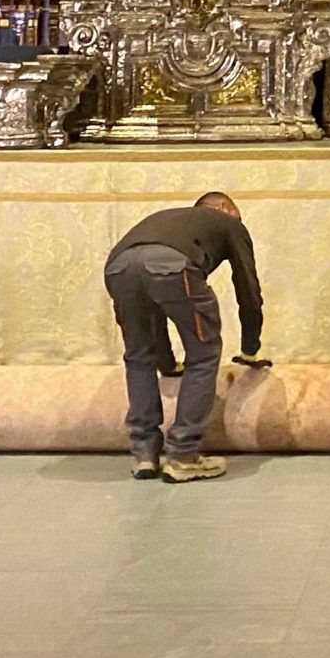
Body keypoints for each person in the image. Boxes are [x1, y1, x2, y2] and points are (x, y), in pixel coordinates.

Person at [103, 191, 269, 484]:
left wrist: (167, 365)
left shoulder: (169, 221)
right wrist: (250, 349)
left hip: (118, 267)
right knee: (203, 354)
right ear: (224, 207)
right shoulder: (229, 223)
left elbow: (155, 311)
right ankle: (182, 454)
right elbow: (248, 289)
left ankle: (145, 454)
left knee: (139, 357)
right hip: (172, 267)